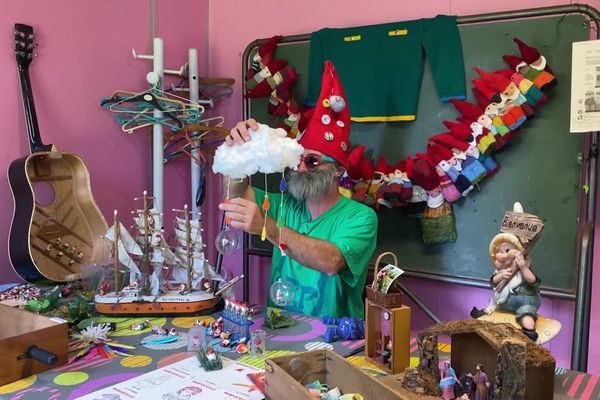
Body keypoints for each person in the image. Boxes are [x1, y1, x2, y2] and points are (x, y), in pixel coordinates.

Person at [218, 61, 378, 319]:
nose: (301, 168)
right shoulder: (283, 204)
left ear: (338, 170)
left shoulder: (360, 217)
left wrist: (266, 227)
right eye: (298, 159)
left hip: (334, 344)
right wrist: (237, 154)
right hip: (280, 335)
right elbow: (236, 196)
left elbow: (331, 262)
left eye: (312, 161)